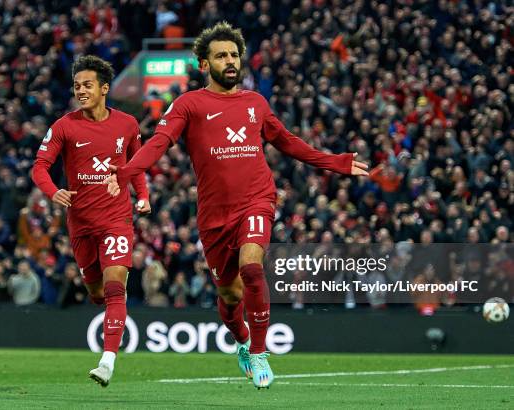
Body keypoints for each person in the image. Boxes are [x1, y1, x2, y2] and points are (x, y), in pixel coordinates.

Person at [106, 22, 369, 389]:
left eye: (234, 54)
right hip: (214, 215)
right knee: (229, 296)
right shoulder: (189, 104)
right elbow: (158, 142)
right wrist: (126, 171)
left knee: (252, 268)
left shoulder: (255, 103)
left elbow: (288, 142)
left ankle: (260, 352)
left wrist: (336, 162)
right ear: (203, 64)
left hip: (257, 199)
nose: (230, 61)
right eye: (221, 56)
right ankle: (243, 342)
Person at [31, 55, 150, 387]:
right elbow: (39, 167)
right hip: (81, 223)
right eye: (76, 86)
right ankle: (110, 313)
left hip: (116, 219)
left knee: (115, 289)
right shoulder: (64, 126)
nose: (80, 91)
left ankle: (107, 361)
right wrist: (53, 190)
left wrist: (142, 196)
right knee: (97, 292)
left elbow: (135, 164)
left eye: (87, 85)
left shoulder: (127, 124)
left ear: (104, 88)